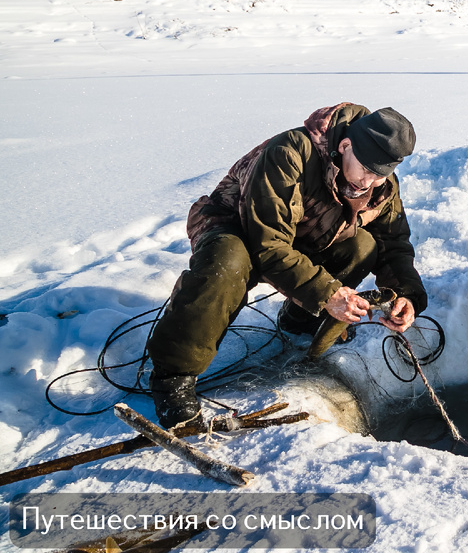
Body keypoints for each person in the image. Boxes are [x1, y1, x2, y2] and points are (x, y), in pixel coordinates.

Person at [146, 103, 427, 426]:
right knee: (229, 262)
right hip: (234, 224)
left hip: (301, 233)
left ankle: (300, 317)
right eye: (366, 169)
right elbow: (267, 244)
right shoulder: (289, 154)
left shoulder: (378, 185)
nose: (370, 182)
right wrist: (328, 293)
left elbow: (393, 244)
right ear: (345, 146)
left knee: (362, 246)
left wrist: (405, 294)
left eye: (381, 174)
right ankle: (173, 377)